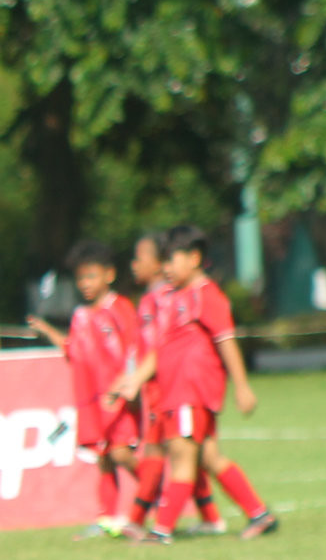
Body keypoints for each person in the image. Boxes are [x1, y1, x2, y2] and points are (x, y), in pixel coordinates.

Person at [114, 224, 278, 543]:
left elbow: (226, 341)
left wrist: (242, 386)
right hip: (178, 393)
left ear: (194, 258)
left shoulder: (206, 296)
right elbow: (161, 350)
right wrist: (135, 380)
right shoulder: (177, 298)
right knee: (209, 458)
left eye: (171, 260)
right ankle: (260, 515)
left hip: (191, 392)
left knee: (182, 458)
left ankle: (161, 531)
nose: (166, 268)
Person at [28, 240, 142, 539]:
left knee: (121, 454)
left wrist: (124, 386)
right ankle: (107, 518)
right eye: (81, 278)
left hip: (118, 399)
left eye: (91, 276)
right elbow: (73, 350)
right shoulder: (80, 315)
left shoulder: (120, 309)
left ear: (109, 275)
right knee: (104, 458)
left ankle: (154, 493)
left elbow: (135, 350)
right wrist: (48, 331)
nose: (85, 284)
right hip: (92, 401)